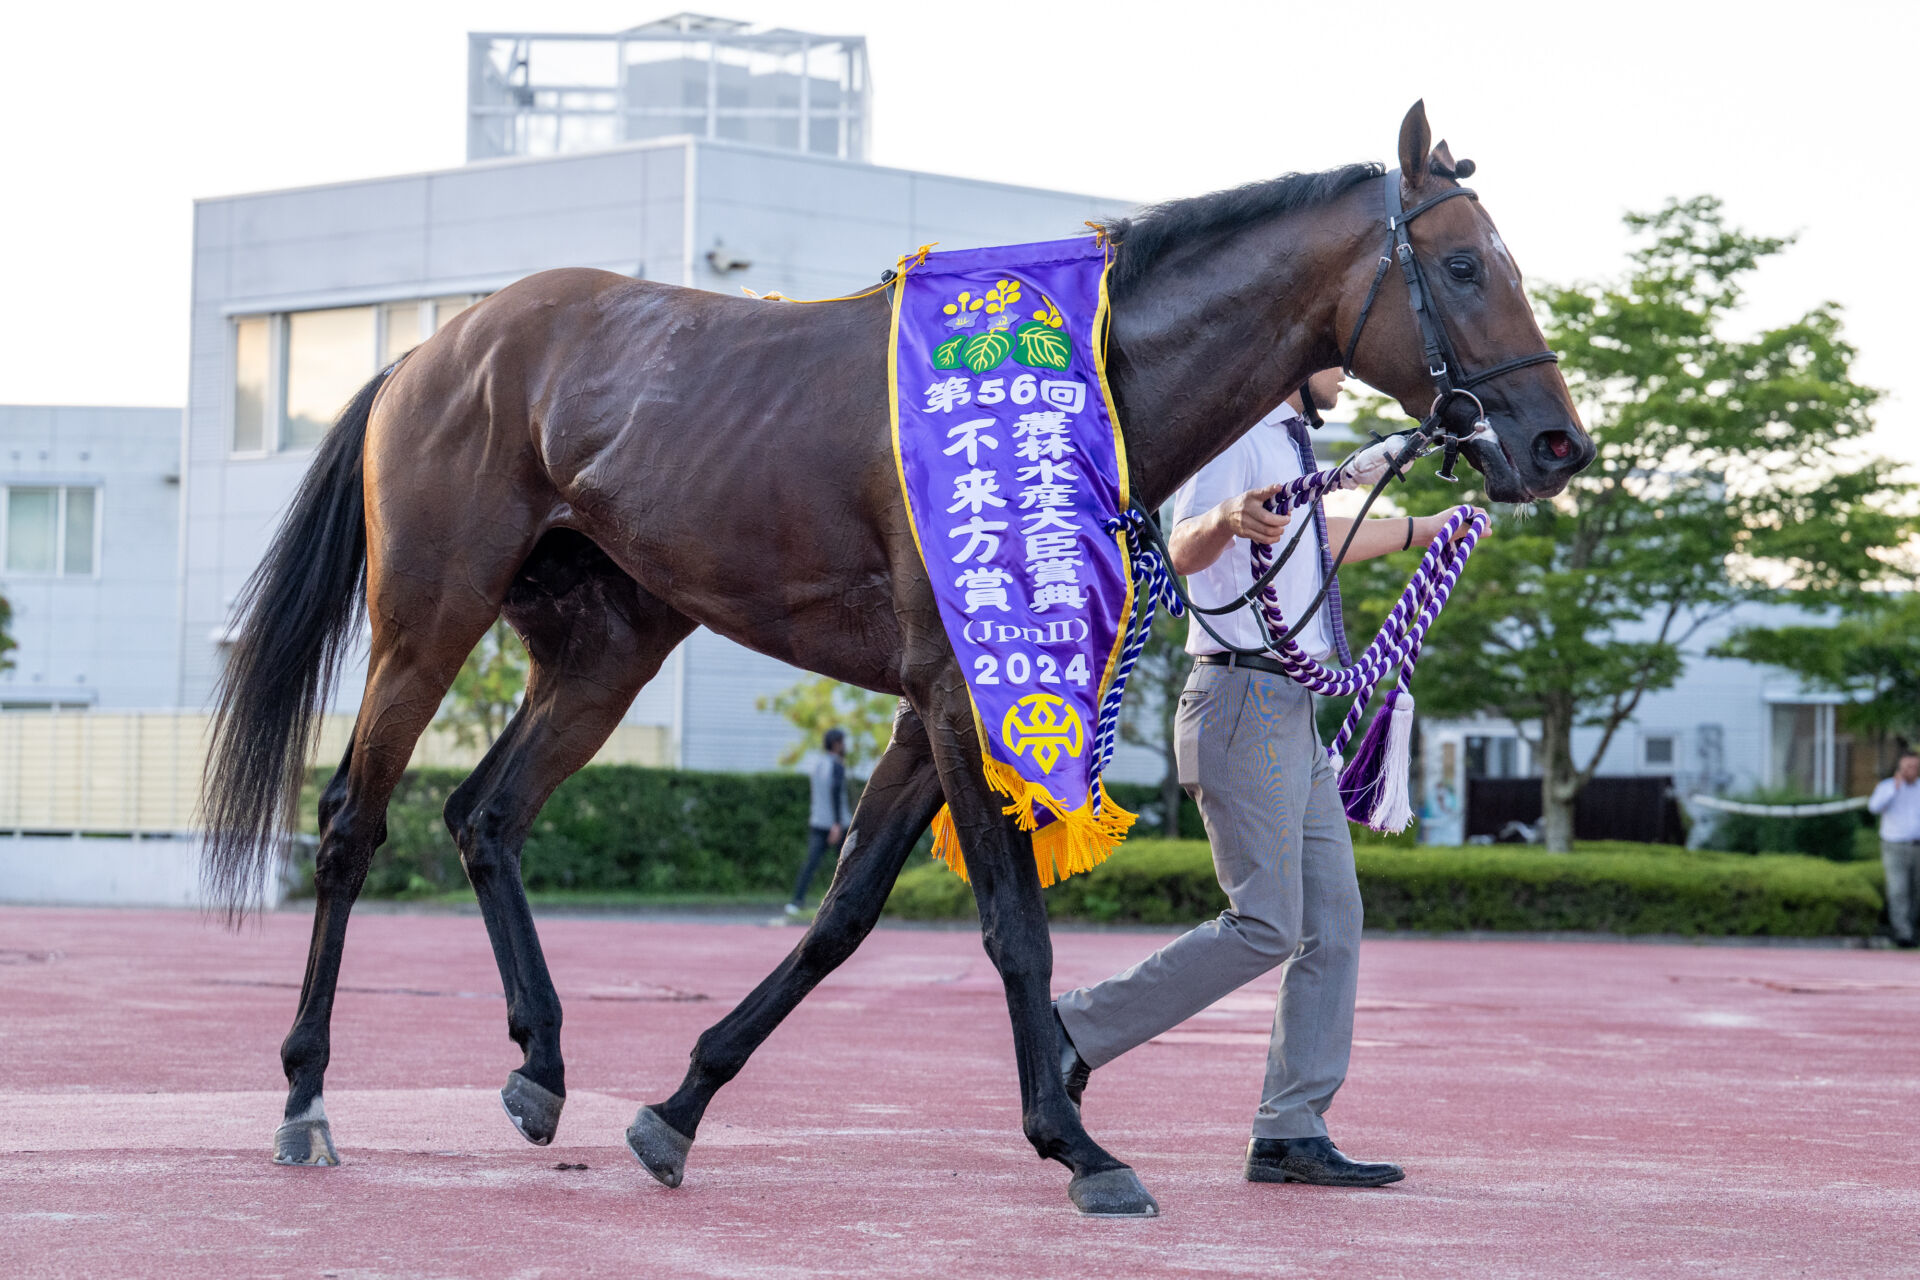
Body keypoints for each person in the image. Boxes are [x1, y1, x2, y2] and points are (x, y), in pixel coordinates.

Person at [1053, 368, 1482, 1187]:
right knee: (1266, 925)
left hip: (1288, 708)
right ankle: (1071, 1029)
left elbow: (1317, 540)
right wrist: (1223, 517)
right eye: (1332, 356)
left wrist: (1427, 529)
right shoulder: (1236, 432)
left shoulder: (1289, 443)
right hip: (1243, 700)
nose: (1345, 370)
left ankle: (1291, 1128)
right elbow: (1181, 544)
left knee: (1333, 922)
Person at [786, 728, 849, 917]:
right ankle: (846, 903)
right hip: (836, 824)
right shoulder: (837, 766)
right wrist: (836, 824)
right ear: (836, 744)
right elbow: (835, 793)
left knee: (811, 863)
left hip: (818, 821)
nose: (844, 746)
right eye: (842, 742)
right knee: (847, 866)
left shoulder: (817, 763)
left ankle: (796, 901)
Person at [1869, 750, 1920, 948]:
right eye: (1907, 767)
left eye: (1914, 767)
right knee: (1898, 889)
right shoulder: (1887, 786)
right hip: (1895, 846)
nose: (1911, 770)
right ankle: (1902, 933)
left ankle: (1913, 931)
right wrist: (1894, 789)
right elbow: (1874, 807)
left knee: (1916, 891)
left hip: (1917, 846)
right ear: (1900, 768)